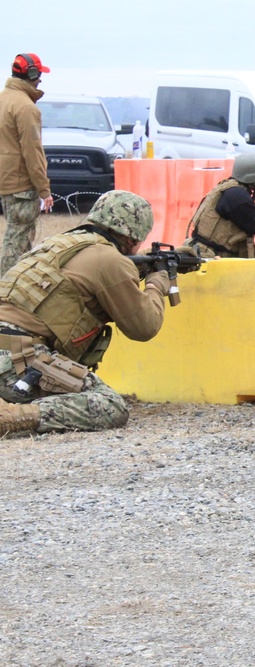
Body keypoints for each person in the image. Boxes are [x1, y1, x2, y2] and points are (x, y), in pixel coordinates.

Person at [0, 190, 173, 435]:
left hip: (9, 354)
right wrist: (156, 285)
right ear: (133, 236)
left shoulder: (56, 245)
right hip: (21, 360)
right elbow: (144, 327)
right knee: (110, 405)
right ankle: (13, 416)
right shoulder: (110, 260)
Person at [0, 53, 54, 275]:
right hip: (22, 186)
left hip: (7, 183)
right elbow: (32, 152)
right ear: (32, 74)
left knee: (22, 244)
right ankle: (4, 294)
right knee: (16, 244)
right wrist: (44, 190)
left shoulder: (3, 99)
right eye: (39, 74)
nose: (40, 79)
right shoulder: (26, 108)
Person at [184, 153, 255, 258]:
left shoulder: (228, 187)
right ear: (254, 178)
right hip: (211, 255)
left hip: (202, 250)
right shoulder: (237, 196)